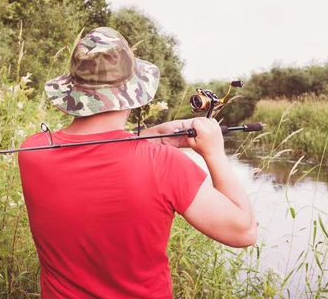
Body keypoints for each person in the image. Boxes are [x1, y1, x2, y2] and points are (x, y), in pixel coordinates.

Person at [18, 27, 257, 298]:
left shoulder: (32, 150)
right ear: (133, 92)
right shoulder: (165, 165)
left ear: (74, 93)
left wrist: (153, 136)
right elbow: (244, 231)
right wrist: (214, 153)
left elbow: (98, 154)